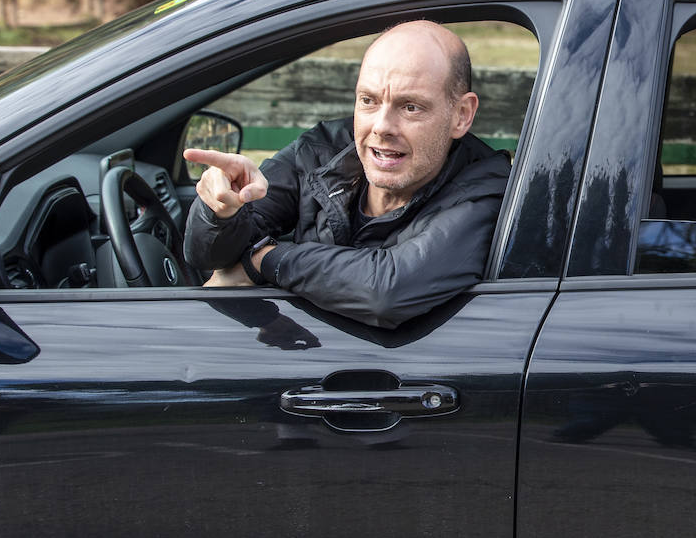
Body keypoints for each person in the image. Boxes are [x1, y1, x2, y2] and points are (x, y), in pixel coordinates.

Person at [182, 20, 512, 328]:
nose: (381, 126)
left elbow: (387, 291)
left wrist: (265, 260)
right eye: (369, 100)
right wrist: (220, 212)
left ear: (461, 115)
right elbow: (206, 256)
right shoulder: (322, 149)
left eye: (410, 107)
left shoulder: (486, 187)